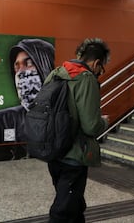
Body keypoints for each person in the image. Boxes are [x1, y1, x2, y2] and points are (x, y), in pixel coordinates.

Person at [45, 38, 110, 223]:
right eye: (101, 68)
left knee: (73, 203)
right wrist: (103, 122)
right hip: (73, 155)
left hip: (53, 150)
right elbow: (91, 126)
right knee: (64, 210)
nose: (99, 72)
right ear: (97, 63)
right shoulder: (86, 78)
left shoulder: (56, 73)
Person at [0, 38, 54, 145]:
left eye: (29, 63)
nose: (20, 73)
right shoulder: (2, 122)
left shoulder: (66, 119)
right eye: (16, 67)